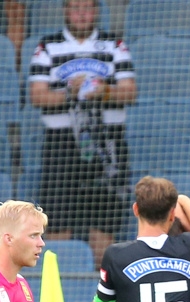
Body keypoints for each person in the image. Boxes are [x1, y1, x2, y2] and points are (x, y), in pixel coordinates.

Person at [29, 0, 137, 265]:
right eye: (75, 7)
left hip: (107, 141)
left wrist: (104, 91)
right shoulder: (48, 46)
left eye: (87, 7)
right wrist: (70, 93)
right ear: (65, 10)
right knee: (58, 217)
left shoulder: (114, 45)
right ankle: (62, 288)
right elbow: (37, 96)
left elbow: (130, 91)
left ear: (96, 11)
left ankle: (100, 293)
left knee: (104, 219)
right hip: (61, 143)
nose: (81, 13)